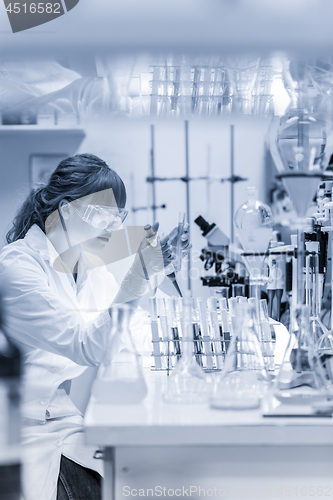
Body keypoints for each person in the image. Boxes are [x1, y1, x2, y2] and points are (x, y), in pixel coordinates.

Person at [0, 153, 190, 500]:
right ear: (67, 209)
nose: (113, 229)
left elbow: (131, 324)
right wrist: (138, 275)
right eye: (102, 215)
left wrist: (158, 273)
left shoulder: (84, 265)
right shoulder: (17, 268)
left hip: (59, 419)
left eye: (118, 218)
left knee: (141, 478)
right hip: (15, 430)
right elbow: (86, 345)